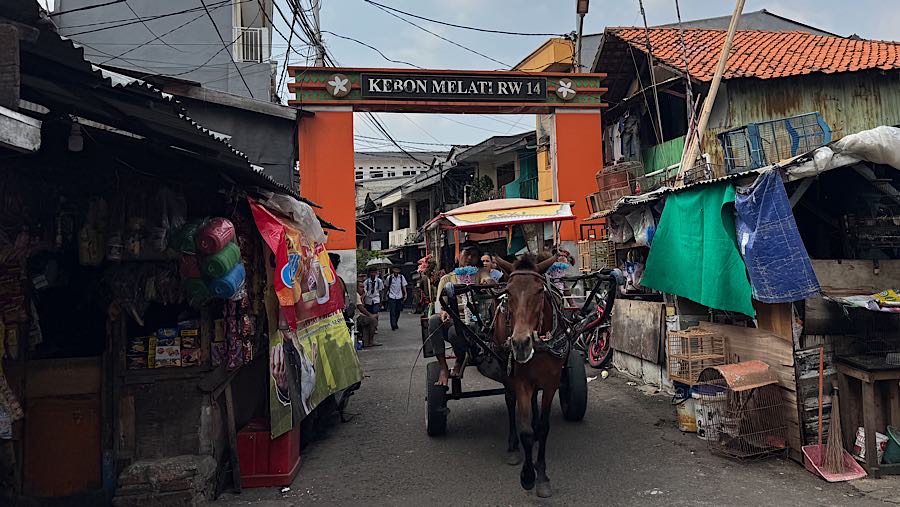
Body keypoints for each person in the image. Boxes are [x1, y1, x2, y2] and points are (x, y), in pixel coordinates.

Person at [428, 243, 481, 386]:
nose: (469, 258)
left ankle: (460, 358)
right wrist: (444, 312)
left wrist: (487, 282)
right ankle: (444, 367)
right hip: (454, 320)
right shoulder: (447, 278)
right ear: (459, 256)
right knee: (434, 321)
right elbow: (441, 305)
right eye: (466, 254)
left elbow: (490, 282)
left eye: (474, 255)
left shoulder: (480, 273)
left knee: (454, 333)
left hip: (478, 322)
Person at [356, 280, 382, 347]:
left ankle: (367, 340)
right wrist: (370, 315)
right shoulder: (356, 295)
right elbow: (361, 308)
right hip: (357, 317)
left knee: (374, 317)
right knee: (373, 320)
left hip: (360, 315)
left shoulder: (359, 296)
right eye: (361, 287)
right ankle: (370, 341)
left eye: (363, 287)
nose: (363, 289)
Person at [385, 265, 408, 331]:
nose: (396, 271)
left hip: (399, 296)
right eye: (395, 270)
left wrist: (405, 293)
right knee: (392, 311)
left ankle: (395, 322)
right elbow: (386, 286)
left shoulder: (401, 277)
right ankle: (393, 325)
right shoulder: (389, 278)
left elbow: (404, 286)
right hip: (391, 296)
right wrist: (385, 295)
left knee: (397, 311)